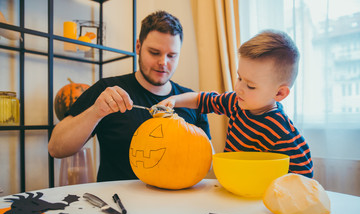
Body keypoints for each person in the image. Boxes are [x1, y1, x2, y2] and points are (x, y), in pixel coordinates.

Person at [48, 11, 211, 182]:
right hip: (117, 204)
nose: (163, 62)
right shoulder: (108, 91)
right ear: (138, 47)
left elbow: (206, 164)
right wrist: (96, 112)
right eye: (155, 52)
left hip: (178, 202)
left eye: (172, 56)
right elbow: (56, 148)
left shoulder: (193, 101)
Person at [159, 30, 313, 178]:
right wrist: (175, 100)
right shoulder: (235, 102)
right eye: (239, 78)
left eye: (251, 86)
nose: (238, 88)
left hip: (258, 196)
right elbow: (201, 100)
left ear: (279, 93)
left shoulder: (281, 131)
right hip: (233, 184)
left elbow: (304, 175)